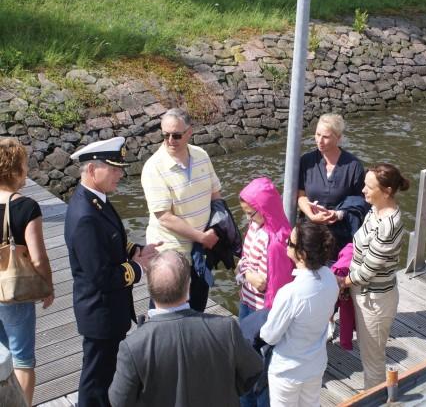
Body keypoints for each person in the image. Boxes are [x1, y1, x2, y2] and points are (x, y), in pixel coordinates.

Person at [65, 137, 159, 407]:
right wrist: (139, 268)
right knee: (95, 382)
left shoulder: (96, 200)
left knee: (105, 376)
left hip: (109, 311)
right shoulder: (85, 215)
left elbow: (110, 238)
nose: (120, 173)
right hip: (100, 312)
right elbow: (101, 276)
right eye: (114, 168)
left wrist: (135, 250)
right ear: (93, 171)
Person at [108, 250, 263, 407]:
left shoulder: (133, 347)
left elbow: (119, 401)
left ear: (150, 290)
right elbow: (254, 371)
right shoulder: (226, 329)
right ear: (188, 287)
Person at [141, 108, 223, 312]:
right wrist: (200, 236)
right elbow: (164, 217)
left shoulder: (201, 155)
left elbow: (216, 195)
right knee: (165, 312)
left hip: (201, 251)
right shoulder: (154, 168)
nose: (170, 140)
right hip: (170, 256)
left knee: (197, 306)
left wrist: (215, 229)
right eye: (165, 135)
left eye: (176, 135)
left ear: (189, 132)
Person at [339, 163, 408, 389]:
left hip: (375, 301)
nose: (363, 191)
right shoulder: (374, 210)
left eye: (369, 187)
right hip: (364, 294)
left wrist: (342, 282)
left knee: (373, 361)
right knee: (368, 353)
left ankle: (375, 397)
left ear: (387, 191)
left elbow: (369, 270)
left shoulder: (389, 224)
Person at [260, 222, 338, 406]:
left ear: (302, 255)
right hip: (315, 363)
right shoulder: (330, 277)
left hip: (287, 371)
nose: (286, 243)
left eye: (290, 243)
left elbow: (269, 336)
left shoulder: (291, 293)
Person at [0, 138, 54, 405]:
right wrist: (48, 286)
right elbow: (39, 257)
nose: (28, 171)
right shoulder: (26, 206)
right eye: (24, 164)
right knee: (22, 360)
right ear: (14, 170)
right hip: (13, 292)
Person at [236, 177, 294, 407]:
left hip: (262, 311)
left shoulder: (276, 241)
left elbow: (261, 282)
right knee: (244, 358)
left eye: (251, 213)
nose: (249, 218)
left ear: (264, 209)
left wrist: (243, 271)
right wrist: (245, 270)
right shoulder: (256, 225)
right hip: (247, 302)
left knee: (259, 367)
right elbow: (245, 262)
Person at [297, 113, 368, 257]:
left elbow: (362, 202)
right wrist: (311, 215)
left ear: (339, 138)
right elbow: (301, 196)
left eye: (326, 137)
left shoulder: (354, 166)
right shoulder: (306, 161)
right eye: (317, 134)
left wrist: (338, 214)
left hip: (340, 238)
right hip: (310, 235)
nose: (319, 141)